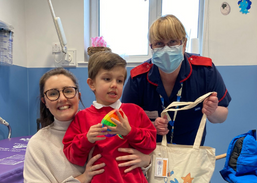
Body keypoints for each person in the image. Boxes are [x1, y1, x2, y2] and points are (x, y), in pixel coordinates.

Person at [23, 68, 151, 183]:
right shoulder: (37, 144)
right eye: (52, 93)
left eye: (68, 91)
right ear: (44, 101)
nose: (62, 98)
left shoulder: (108, 125)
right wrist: (82, 179)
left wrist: (146, 162)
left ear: (78, 96)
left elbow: (129, 170)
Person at [122, 14, 232, 146]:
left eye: (173, 42)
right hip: (149, 153)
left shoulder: (205, 71)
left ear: (184, 43)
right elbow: (126, 123)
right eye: (159, 44)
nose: (166, 49)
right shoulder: (138, 78)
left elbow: (222, 116)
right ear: (151, 47)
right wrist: (150, 127)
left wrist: (212, 111)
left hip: (189, 154)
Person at [62, 51, 157, 183]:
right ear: (92, 84)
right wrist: (87, 139)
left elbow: (151, 144)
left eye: (119, 81)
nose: (114, 85)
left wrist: (130, 132)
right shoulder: (82, 117)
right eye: (107, 79)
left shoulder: (134, 111)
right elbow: (73, 156)